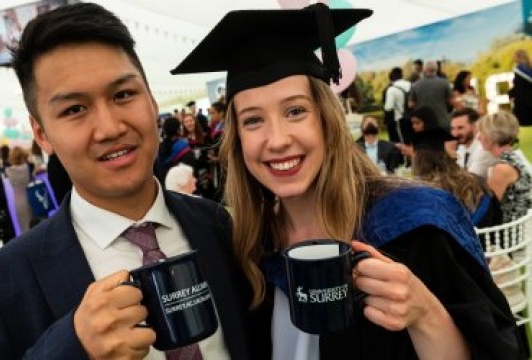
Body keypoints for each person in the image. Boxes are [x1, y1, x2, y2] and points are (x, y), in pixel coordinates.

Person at [172, 3, 524, 359]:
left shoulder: (414, 226)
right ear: (238, 140)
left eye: (295, 111)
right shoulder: (250, 251)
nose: (276, 139)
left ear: (327, 120)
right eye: (252, 121)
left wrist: (424, 313)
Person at [0, 3, 252, 359]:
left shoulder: (220, 229)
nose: (110, 128)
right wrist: (70, 348)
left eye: (123, 95)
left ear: (152, 101)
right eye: (74, 109)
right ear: (42, 134)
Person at [412, 127, 502, 228]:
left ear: (418, 162)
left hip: (452, 242)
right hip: (487, 239)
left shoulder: (425, 193)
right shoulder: (477, 182)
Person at [477, 111, 532, 223]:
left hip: (510, 233)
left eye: (481, 132)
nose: (478, 138)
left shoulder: (502, 169)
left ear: (491, 136)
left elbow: (486, 210)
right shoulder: (516, 156)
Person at [450, 107, 497, 179]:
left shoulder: (484, 147)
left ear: (475, 126)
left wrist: (449, 156)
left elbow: (470, 181)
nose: (455, 134)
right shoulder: (462, 146)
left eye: (460, 128)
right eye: (453, 128)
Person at [5, 146, 33, 233]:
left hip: (18, 201)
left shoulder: (8, 171)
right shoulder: (29, 167)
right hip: (31, 196)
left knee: (24, 225)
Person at [509, 49, 532, 126]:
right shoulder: (530, 67)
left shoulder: (519, 70)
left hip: (523, 104)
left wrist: (510, 92)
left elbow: (519, 87)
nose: (513, 58)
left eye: (514, 56)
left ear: (518, 57)